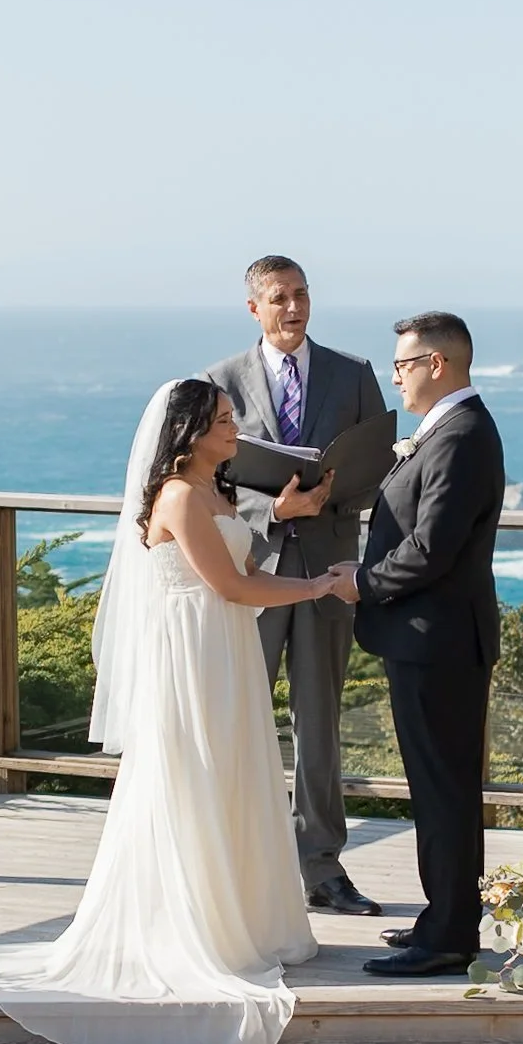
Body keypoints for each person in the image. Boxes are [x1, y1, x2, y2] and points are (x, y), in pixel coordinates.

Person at [0, 379, 348, 1044]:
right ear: (187, 432)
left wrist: (279, 515)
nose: (233, 428)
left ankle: (237, 918)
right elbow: (231, 585)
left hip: (225, 650)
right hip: (191, 657)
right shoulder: (179, 496)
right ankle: (194, 925)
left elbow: (242, 561)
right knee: (192, 778)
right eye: (221, 420)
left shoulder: (215, 492)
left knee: (233, 778)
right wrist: (317, 584)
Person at [207, 256, 388, 916]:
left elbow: (379, 472)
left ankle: (321, 868)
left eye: (302, 295)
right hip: (248, 572)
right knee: (237, 722)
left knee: (319, 725)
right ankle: (238, 865)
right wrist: (273, 512)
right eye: (279, 297)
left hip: (325, 571)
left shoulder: (353, 375)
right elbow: (206, 487)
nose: (293, 308)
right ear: (254, 307)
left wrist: (333, 494)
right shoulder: (219, 381)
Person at [339, 313, 505, 976]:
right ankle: (443, 918)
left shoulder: (461, 434)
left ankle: (447, 938)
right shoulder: (446, 429)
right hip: (426, 641)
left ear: (437, 364)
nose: (396, 377)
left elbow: (432, 549)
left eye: (402, 365)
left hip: (439, 643)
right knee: (438, 789)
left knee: (443, 791)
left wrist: (360, 582)